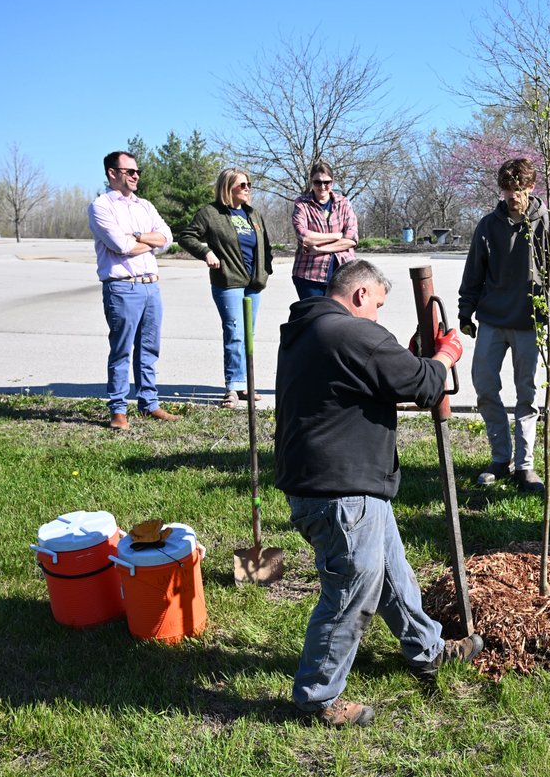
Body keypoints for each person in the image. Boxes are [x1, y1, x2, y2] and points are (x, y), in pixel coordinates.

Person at [274, 259, 484, 727]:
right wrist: (446, 354)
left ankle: (426, 650)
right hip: (340, 491)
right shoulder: (351, 333)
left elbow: (377, 377)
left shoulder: (311, 328)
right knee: (352, 592)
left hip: (335, 484)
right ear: (360, 295)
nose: (378, 318)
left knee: (393, 573)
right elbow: (425, 384)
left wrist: (408, 359)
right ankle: (316, 698)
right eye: (379, 307)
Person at [457, 158, 550, 492]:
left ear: (531, 187)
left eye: (519, 189)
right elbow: (473, 274)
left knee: (528, 394)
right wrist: (466, 312)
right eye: (507, 189)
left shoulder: (548, 225)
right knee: (484, 386)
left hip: (530, 323)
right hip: (493, 320)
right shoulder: (487, 226)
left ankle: (525, 465)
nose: (513, 196)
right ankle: (499, 458)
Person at [87, 150, 180, 430]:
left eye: (137, 171)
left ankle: (149, 403)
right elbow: (120, 246)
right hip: (122, 288)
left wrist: (138, 236)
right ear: (112, 173)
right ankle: (118, 409)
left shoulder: (145, 205)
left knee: (149, 348)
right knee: (121, 350)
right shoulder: (101, 206)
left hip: (151, 286)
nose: (136, 175)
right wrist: (148, 241)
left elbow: (167, 237)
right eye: (130, 171)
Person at [177, 168, 274, 408]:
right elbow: (186, 236)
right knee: (234, 334)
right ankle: (233, 386)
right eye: (242, 185)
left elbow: (266, 246)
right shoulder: (210, 213)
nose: (248, 189)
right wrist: (206, 252)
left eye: (249, 184)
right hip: (228, 282)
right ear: (227, 187)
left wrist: (265, 271)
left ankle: (246, 386)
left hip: (253, 285)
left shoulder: (253, 215)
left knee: (247, 336)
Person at [290, 160, 358, 299]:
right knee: (315, 318)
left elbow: (351, 239)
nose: (322, 186)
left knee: (341, 318)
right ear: (311, 182)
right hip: (309, 275)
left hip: (343, 274)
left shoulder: (344, 203)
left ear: (332, 182)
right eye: (317, 182)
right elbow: (304, 236)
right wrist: (337, 236)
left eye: (326, 182)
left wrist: (320, 249)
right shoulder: (302, 204)